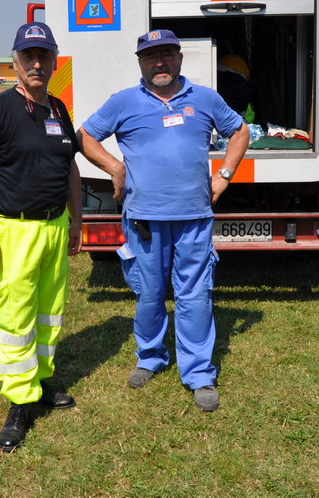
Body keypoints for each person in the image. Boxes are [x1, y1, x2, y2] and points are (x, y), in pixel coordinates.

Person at [77, 29, 250, 412]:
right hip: (144, 219)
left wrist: (224, 174)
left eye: (167, 54)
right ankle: (150, 357)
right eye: (151, 56)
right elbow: (85, 135)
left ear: (180, 58)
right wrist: (115, 168)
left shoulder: (204, 98)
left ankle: (199, 373)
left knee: (195, 296)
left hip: (194, 218)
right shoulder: (123, 101)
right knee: (149, 294)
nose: (160, 62)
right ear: (140, 62)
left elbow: (239, 131)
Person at [0, 21, 83, 451]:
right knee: (14, 319)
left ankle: (41, 380)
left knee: (49, 311)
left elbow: (70, 167)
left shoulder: (58, 108)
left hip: (54, 227)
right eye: (28, 56)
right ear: (14, 62)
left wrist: (76, 220)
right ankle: (19, 402)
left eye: (43, 55)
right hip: (12, 230)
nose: (36, 64)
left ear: (54, 62)